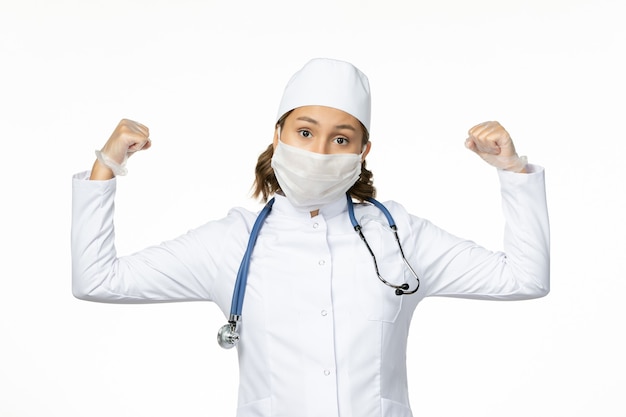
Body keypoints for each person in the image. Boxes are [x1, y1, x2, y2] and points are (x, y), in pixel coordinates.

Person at [72, 58, 550, 417]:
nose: (320, 152)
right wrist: (105, 167)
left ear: (363, 152)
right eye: (305, 132)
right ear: (278, 134)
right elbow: (98, 280)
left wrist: (512, 171)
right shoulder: (231, 244)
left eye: (341, 139)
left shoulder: (398, 235)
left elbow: (523, 277)